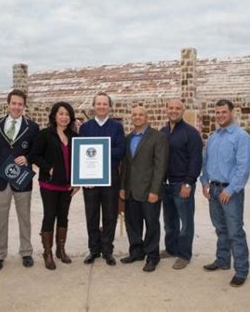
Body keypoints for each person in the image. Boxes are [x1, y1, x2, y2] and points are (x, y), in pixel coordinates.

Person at [200, 99, 250, 287]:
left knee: (235, 231)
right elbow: (205, 162)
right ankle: (222, 260)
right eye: (217, 112)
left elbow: (244, 167)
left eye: (224, 112)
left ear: (232, 113)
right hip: (213, 190)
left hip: (230, 192)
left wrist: (230, 190)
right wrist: (204, 182)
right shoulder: (214, 136)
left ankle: (241, 270)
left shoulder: (241, 137)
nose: (220, 115)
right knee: (220, 229)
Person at [0, 89, 40, 271]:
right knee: (0, 218)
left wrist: (27, 158)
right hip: (0, 179)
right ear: (8, 104)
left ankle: (26, 251)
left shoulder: (32, 127)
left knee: (24, 217)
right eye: (14, 103)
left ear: (24, 106)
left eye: (20, 104)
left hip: (22, 178)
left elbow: (36, 151)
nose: (17, 107)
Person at [29, 102, 79, 270]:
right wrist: (48, 168)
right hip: (49, 184)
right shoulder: (45, 134)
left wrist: (77, 181)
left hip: (68, 185)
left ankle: (61, 250)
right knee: (50, 215)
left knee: (63, 216)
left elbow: (79, 161)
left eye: (67, 114)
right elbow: (34, 155)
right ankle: (48, 252)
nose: (64, 117)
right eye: (61, 114)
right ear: (54, 116)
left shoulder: (74, 136)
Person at [119, 106, 169, 272]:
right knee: (132, 224)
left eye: (141, 115)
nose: (137, 117)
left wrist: (155, 190)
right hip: (131, 190)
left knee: (151, 224)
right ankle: (136, 252)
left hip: (149, 191)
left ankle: (152, 257)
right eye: (134, 115)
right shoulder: (128, 138)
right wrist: (122, 187)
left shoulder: (158, 137)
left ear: (147, 117)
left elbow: (160, 166)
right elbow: (125, 166)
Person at [79, 92, 126, 266]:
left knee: (110, 214)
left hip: (110, 177)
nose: (101, 106)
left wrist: (99, 150)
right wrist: (84, 176)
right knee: (91, 214)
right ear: (93, 106)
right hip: (90, 178)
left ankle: (107, 250)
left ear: (110, 107)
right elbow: (82, 153)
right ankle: (94, 250)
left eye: (104, 104)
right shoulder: (85, 128)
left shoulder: (116, 127)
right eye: (98, 103)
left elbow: (120, 151)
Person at [160, 99, 203, 270]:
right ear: (166, 109)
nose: (174, 111)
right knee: (169, 221)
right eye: (171, 107)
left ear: (183, 111)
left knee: (186, 223)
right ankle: (171, 249)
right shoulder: (162, 132)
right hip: (166, 184)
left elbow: (196, 160)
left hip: (182, 184)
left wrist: (189, 183)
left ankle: (184, 255)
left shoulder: (191, 133)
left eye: (177, 108)